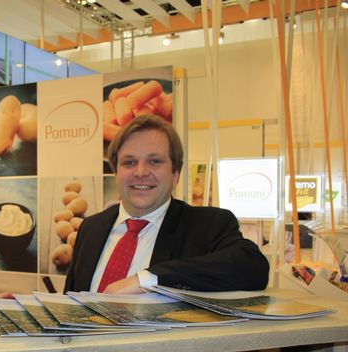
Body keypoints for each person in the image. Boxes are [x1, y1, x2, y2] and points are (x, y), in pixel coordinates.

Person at [65, 114, 269, 294]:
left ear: (175, 173)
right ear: (116, 172)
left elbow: (252, 267)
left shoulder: (207, 226)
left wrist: (147, 280)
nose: (140, 172)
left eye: (154, 161)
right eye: (129, 162)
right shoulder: (91, 228)